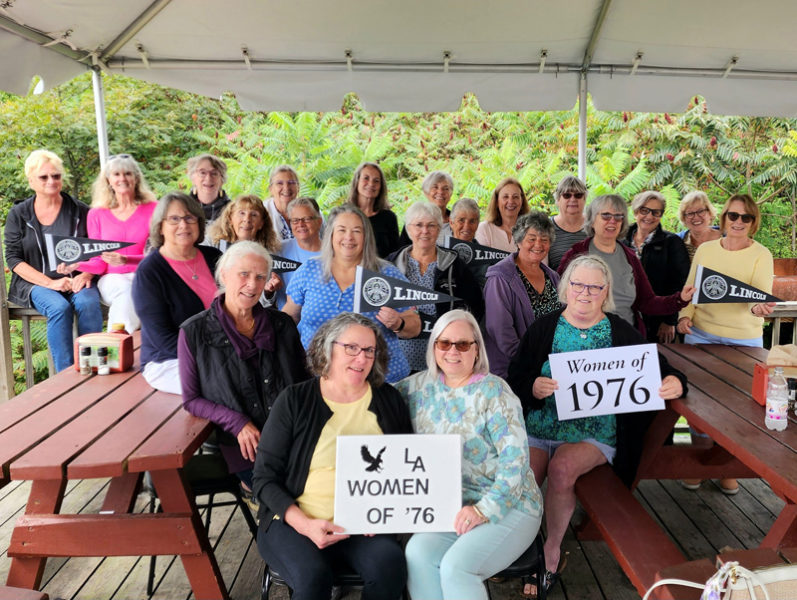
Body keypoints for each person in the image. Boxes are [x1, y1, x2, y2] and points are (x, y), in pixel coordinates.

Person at [507, 255, 688, 596]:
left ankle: (550, 551)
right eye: (578, 285)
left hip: (592, 434)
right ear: (566, 288)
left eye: (594, 286)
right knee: (525, 476)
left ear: (605, 292)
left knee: (562, 470)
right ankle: (523, 546)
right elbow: (515, 375)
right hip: (541, 425)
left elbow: (660, 367)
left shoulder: (620, 331)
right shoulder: (544, 327)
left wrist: (675, 382)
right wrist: (532, 386)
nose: (585, 293)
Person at [253, 312, 412, 600]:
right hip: (295, 522)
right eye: (350, 348)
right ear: (327, 348)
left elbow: (404, 469)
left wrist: (383, 516)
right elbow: (264, 478)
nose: (361, 358)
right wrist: (304, 523)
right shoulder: (294, 400)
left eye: (369, 350)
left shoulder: (388, 399)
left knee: (389, 565)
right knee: (314, 577)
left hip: (364, 524)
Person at [395, 310, 542, 600]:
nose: (452, 351)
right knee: (417, 553)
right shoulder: (416, 387)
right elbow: (371, 400)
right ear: (433, 346)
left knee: (456, 568)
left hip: (509, 505)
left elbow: (515, 464)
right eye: (444, 343)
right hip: (451, 506)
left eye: (463, 344)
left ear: (477, 348)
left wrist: (482, 510)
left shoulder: (496, 392)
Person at [179, 241, 310, 489]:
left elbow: (304, 382)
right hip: (246, 446)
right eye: (244, 274)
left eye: (260, 277)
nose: (252, 284)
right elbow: (191, 399)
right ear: (225, 275)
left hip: (294, 434)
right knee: (283, 493)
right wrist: (237, 423)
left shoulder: (282, 324)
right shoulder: (194, 332)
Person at [677, 194, 774, 496]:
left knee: (740, 410)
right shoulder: (705, 249)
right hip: (701, 334)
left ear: (753, 222)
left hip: (744, 338)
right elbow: (690, 290)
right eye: (733, 216)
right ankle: (699, 465)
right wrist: (684, 316)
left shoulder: (762, 254)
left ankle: (727, 467)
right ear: (724, 219)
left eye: (745, 218)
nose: (738, 222)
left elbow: (760, 298)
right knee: (696, 406)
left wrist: (759, 309)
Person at [283, 205, 420, 383]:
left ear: (366, 237)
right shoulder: (309, 270)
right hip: (318, 379)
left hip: (379, 381)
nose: (349, 237)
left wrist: (398, 323)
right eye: (342, 230)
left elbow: (415, 324)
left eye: (357, 231)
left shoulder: (386, 274)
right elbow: (287, 318)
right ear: (331, 235)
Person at [4, 150, 103, 372]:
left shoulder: (81, 211)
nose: (51, 181)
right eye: (44, 177)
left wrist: (87, 274)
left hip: (77, 278)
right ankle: (65, 378)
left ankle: (94, 368)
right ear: (31, 181)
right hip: (37, 283)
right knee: (59, 307)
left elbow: (97, 250)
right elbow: (13, 258)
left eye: (56, 176)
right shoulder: (18, 214)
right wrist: (50, 283)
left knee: (88, 302)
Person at [558, 194, 694, 336]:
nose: (613, 221)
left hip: (625, 337)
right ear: (592, 220)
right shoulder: (576, 253)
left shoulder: (629, 256)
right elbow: (559, 298)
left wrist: (680, 299)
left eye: (618, 217)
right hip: (584, 338)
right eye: (606, 216)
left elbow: (647, 302)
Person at [132, 192, 222, 394]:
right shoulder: (150, 272)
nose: (184, 225)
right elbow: (161, 339)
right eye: (174, 219)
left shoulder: (214, 258)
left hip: (222, 353)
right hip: (169, 362)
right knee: (228, 384)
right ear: (160, 226)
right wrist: (216, 354)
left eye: (190, 218)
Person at [56, 154, 157, 333]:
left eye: (127, 173)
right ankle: (118, 345)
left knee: (137, 290)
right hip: (112, 279)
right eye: (116, 174)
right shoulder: (97, 214)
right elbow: (99, 262)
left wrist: (127, 260)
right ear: (108, 180)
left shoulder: (153, 209)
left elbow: (159, 255)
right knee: (126, 291)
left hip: (146, 273)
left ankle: (116, 347)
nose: (122, 179)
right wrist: (77, 265)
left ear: (136, 178)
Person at [388, 202, 485, 372]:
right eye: (418, 225)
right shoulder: (391, 264)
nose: (424, 231)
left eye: (431, 225)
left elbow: (475, 307)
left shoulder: (455, 265)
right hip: (398, 359)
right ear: (409, 229)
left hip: (444, 360)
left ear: (439, 228)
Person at [483, 212, 561, 378]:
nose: (538, 244)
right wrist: (533, 362)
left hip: (550, 369)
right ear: (518, 241)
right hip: (513, 371)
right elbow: (501, 331)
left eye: (544, 239)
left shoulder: (553, 277)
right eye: (531, 239)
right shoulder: (500, 277)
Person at [622, 190, 690, 343]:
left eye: (656, 212)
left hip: (658, 321)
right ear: (635, 211)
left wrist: (670, 320)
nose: (649, 216)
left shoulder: (672, 243)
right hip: (625, 317)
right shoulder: (621, 241)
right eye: (644, 210)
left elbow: (680, 283)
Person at [273, 197, 323, 309]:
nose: (300, 224)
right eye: (295, 220)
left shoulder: (332, 253)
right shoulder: (278, 249)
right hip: (288, 321)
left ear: (319, 222)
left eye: (306, 219)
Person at [345, 162, 400, 258]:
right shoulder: (342, 214)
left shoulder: (388, 218)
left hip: (379, 271)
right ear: (357, 181)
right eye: (366, 178)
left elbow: (395, 254)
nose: (371, 184)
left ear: (381, 186)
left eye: (376, 181)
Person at [398, 171, 455, 246]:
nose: (440, 192)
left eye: (446, 188)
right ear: (426, 192)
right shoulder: (414, 220)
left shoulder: (457, 221)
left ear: (450, 194)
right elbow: (403, 250)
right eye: (435, 187)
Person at [475, 177, 530, 252]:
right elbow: (482, 263)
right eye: (505, 197)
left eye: (515, 197)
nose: (511, 201)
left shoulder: (532, 231)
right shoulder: (485, 229)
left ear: (522, 201)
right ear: (497, 202)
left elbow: (540, 263)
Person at [547, 175, 588, 271]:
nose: (573, 199)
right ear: (558, 200)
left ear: (584, 199)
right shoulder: (546, 228)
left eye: (578, 195)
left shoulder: (595, 226)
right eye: (567, 195)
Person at [677, 191, 721, 262]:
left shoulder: (728, 238)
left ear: (709, 213)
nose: (696, 217)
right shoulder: (677, 242)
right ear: (684, 218)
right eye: (690, 213)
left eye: (701, 211)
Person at [187, 154, 230, 224]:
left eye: (214, 173)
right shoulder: (183, 208)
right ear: (193, 178)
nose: (208, 178)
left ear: (222, 180)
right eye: (203, 173)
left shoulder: (232, 210)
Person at [264, 165, 302, 241]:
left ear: (298, 187)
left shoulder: (309, 210)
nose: (286, 188)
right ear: (271, 189)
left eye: (291, 183)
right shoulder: (262, 212)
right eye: (279, 183)